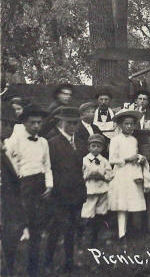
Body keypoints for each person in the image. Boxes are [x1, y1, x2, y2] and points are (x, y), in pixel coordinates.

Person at [5, 104, 53, 277]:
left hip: (40, 185)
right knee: (18, 226)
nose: (36, 126)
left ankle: (33, 268)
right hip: (23, 185)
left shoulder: (43, 142)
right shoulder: (14, 141)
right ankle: (10, 266)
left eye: (39, 123)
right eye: (32, 122)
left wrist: (49, 185)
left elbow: (47, 166)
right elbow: (9, 164)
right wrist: (18, 185)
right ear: (24, 122)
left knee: (37, 228)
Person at [45, 107, 87, 273]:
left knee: (72, 228)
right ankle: (48, 262)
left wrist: (82, 191)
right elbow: (48, 169)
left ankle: (69, 262)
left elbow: (81, 169)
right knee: (56, 228)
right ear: (61, 122)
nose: (72, 126)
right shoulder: (52, 143)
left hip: (76, 193)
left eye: (75, 123)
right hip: (59, 195)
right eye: (69, 123)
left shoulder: (81, 144)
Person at [108, 109, 150, 241]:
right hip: (121, 173)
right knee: (122, 203)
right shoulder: (115, 140)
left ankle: (133, 231)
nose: (129, 126)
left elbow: (135, 154)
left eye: (131, 124)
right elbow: (111, 159)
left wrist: (139, 158)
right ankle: (122, 233)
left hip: (134, 173)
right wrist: (127, 159)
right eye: (126, 124)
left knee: (133, 202)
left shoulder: (134, 140)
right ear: (121, 125)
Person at [1, 103, 24, 276]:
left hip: (9, 202)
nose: (8, 128)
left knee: (12, 234)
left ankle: (8, 266)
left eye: (11, 124)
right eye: (4, 123)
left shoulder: (6, 147)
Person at [81, 134, 113, 246]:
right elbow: (80, 174)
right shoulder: (84, 160)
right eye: (93, 146)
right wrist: (88, 175)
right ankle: (84, 237)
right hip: (89, 190)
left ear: (102, 148)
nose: (95, 149)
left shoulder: (104, 161)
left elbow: (110, 174)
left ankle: (97, 237)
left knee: (101, 213)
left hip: (102, 190)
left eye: (98, 146)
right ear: (89, 147)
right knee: (87, 213)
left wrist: (103, 176)